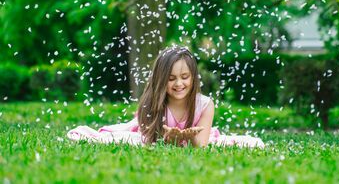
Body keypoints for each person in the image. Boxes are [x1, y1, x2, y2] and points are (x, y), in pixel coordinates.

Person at [67, 45, 265, 148]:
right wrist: (168, 139)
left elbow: (202, 147)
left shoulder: (205, 105)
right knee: (119, 139)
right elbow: (149, 138)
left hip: (195, 140)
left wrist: (190, 137)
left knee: (250, 142)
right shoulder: (154, 100)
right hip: (151, 138)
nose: (179, 84)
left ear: (194, 77)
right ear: (161, 80)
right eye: (171, 79)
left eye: (185, 77)